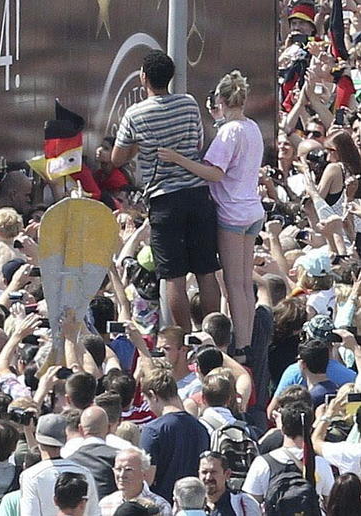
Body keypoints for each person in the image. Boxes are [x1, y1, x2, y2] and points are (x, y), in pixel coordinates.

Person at [111, 49, 220, 329]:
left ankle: (183, 339)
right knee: (207, 271)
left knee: (173, 276)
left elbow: (117, 159)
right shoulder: (188, 103)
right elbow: (197, 144)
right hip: (197, 194)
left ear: (143, 78)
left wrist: (141, 145)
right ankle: (213, 334)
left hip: (164, 199)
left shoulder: (135, 114)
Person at [159, 70, 264, 353]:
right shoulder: (251, 127)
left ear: (221, 99)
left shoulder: (229, 131)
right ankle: (248, 342)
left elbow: (214, 173)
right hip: (252, 209)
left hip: (232, 213)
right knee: (243, 284)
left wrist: (178, 159)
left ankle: (241, 345)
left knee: (234, 285)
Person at [138, 366, 210, 500]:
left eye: (147, 400)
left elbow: (146, 478)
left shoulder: (152, 430)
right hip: (194, 503)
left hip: (161, 505)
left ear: (153, 396)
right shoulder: (201, 428)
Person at [18, 413, 99, 516]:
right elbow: (94, 512)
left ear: (38, 439)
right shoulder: (84, 473)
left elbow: (29, 513)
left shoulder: (30, 476)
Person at [99, 447, 172, 516]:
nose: (122, 475)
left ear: (144, 473)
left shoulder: (160, 506)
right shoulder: (105, 504)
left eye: (128, 470)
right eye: (118, 469)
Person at [198, 450, 258, 516]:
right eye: (204, 472)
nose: (208, 477)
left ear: (227, 474)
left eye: (213, 472)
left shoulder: (242, 503)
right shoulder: (190, 504)